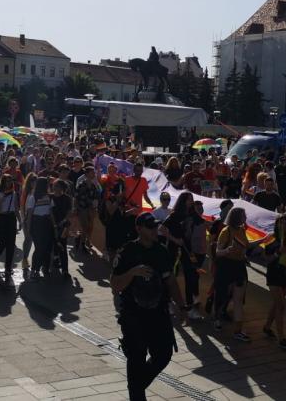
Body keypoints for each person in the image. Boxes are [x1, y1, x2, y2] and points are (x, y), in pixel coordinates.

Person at [111, 212, 186, 401]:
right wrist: (133, 272)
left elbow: (171, 282)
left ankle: (136, 388)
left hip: (158, 312)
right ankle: (137, 395)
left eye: (155, 226)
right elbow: (115, 284)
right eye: (150, 227)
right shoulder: (127, 251)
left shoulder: (161, 251)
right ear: (138, 229)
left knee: (163, 354)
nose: (154, 230)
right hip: (133, 314)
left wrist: (182, 306)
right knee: (136, 357)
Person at [214, 207, 270, 340]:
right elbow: (218, 251)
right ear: (237, 217)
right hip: (226, 267)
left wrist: (262, 240)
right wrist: (228, 250)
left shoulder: (241, 230)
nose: (246, 217)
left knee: (238, 300)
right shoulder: (225, 231)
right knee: (223, 294)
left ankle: (238, 330)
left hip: (239, 266)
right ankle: (217, 318)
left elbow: (246, 244)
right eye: (244, 215)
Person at [262, 215, 286, 350]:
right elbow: (267, 259)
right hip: (274, 274)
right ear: (276, 225)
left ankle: (267, 327)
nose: (283, 225)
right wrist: (278, 253)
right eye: (280, 223)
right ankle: (281, 337)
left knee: (277, 304)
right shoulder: (271, 238)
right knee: (281, 306)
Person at [0, 174, 21, 279]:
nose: (9, 183)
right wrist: (2, 198)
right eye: (7, 181)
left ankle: (8, 268)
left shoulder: (14, 194)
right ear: (3, 182)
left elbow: (16, 208)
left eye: (10, 181)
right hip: (2, 218)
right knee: (2, 243)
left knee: (11, 245)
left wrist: (20, 221)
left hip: (11, 218)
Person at [25, 177, 56, 279]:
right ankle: (35, 269)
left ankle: (45, 268)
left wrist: (54, 225)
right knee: (39, 248)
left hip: (47, 224)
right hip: (37, 224)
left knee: (47, 248)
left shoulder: (49, 197)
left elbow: (51, 213)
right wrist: (29, 229)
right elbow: (29, 215)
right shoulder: (33, 197)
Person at [75, 166, 100, 252]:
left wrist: (95, 207)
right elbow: (77, 197)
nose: (94, 174)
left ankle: (84, 240)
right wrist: (76, 208)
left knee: (90, 226)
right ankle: (83, 245)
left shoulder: (93, 185)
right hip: (83, 208)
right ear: (87, 174)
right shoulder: (81, 185)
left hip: (91, 209)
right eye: (92, 172)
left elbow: (96, 196)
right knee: (85, 226)